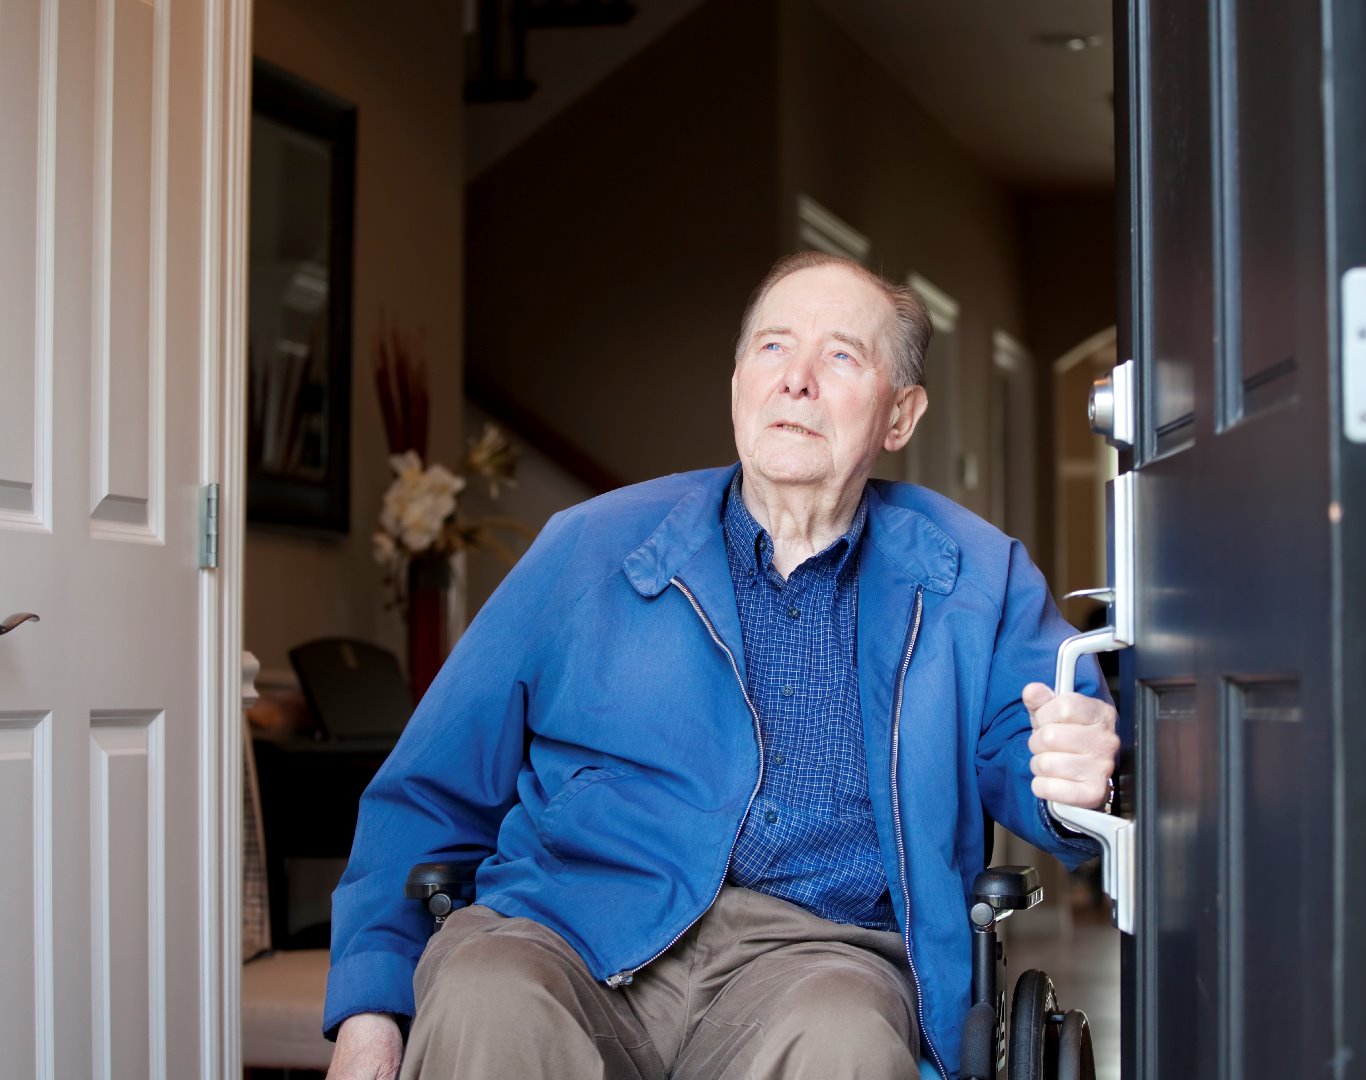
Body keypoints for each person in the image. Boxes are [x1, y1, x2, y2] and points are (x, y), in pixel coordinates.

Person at [323, 251, 1118, 1080]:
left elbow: (1039, 747)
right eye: (773, 347)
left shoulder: (973, 578)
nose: (797, 380)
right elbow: (426, 790)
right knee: (484, 993)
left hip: (817, 957)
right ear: (738, 382)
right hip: (570, 927)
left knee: (842, 1038)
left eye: (841, 356)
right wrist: (371, 1008)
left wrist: (1071, 775)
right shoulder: (589, 548)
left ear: (900, 416)